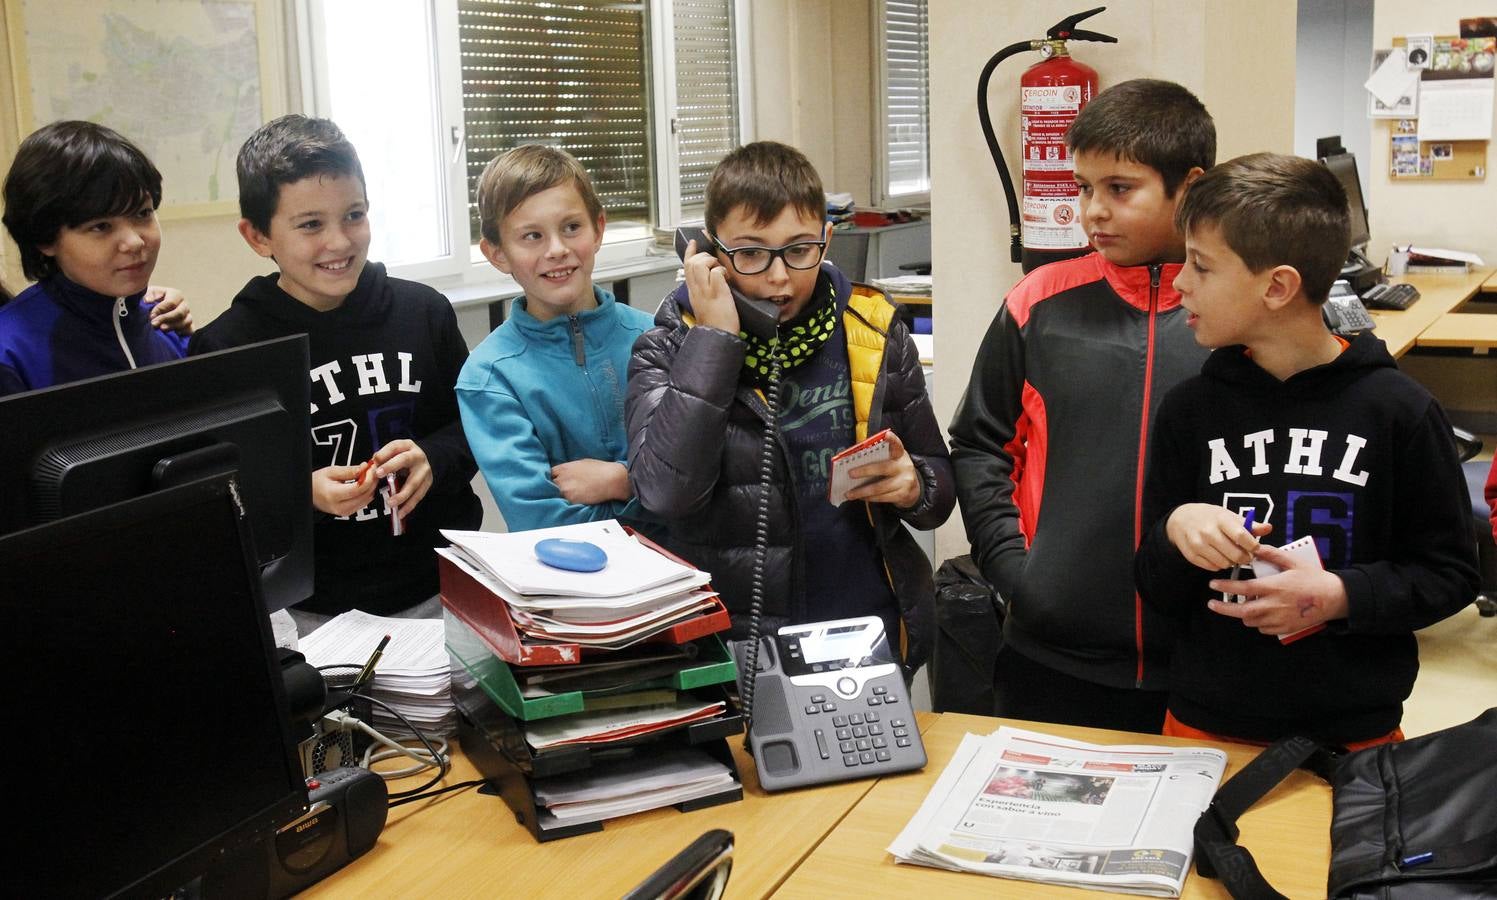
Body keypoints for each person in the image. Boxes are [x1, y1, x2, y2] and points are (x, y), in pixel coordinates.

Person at [1134, 152, 1478, 748]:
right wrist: (1175, 530)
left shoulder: (1400, 412)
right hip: (1205, 722)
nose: (1181, 282)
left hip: (1354, 732)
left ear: (1278, 286)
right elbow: (1153, 584)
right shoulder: (1189, 411)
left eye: (1201, 266)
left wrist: (1341, 597)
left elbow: (1449, 576)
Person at [947, 79, 1215, 731]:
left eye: (1118, 189)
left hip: (1207, 662)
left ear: (1190, 186)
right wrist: (1016, 574)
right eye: (1083, 188)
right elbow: (980, 445)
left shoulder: (1232, 313)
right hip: (1052, 659)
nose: (1091, 210)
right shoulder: (1037, 302)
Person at [626, 140, 954, 673]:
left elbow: (938, 484)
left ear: (827, 240)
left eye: (799, 249)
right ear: (708, 253)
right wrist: (713, 341)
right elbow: (665, 492)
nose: (779, 278)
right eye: (751, 253)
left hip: (861, 624)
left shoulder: (870, 330)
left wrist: (915, 484)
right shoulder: (668, 347)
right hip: (734, 644)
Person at [189, 115, 480, 620]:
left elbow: (475, 425)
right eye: (310, 225)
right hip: (314, 609)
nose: (340, 242)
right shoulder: (226, 349)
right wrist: (301, 495)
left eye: (354, 215)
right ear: (258, 237)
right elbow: (220, 493)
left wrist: (434, 458)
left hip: (444, 583)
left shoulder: (423, 311)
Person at [455, 145, 654, 533]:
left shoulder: (659, 339)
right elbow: (543, 522)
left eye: (571, 227)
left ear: (598, 228)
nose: (557, 250)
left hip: (688, 577)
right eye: (532, 236)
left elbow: (704, 484)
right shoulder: (490, 378)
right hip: (570, 584)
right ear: (497, 254)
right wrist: (656, 498)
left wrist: (622, 481)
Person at [1, 120, 195, 396]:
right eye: (101, 227)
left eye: (142, 213)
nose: (134, 242)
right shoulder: (9, 354)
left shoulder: (164, 321)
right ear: (45, 239)